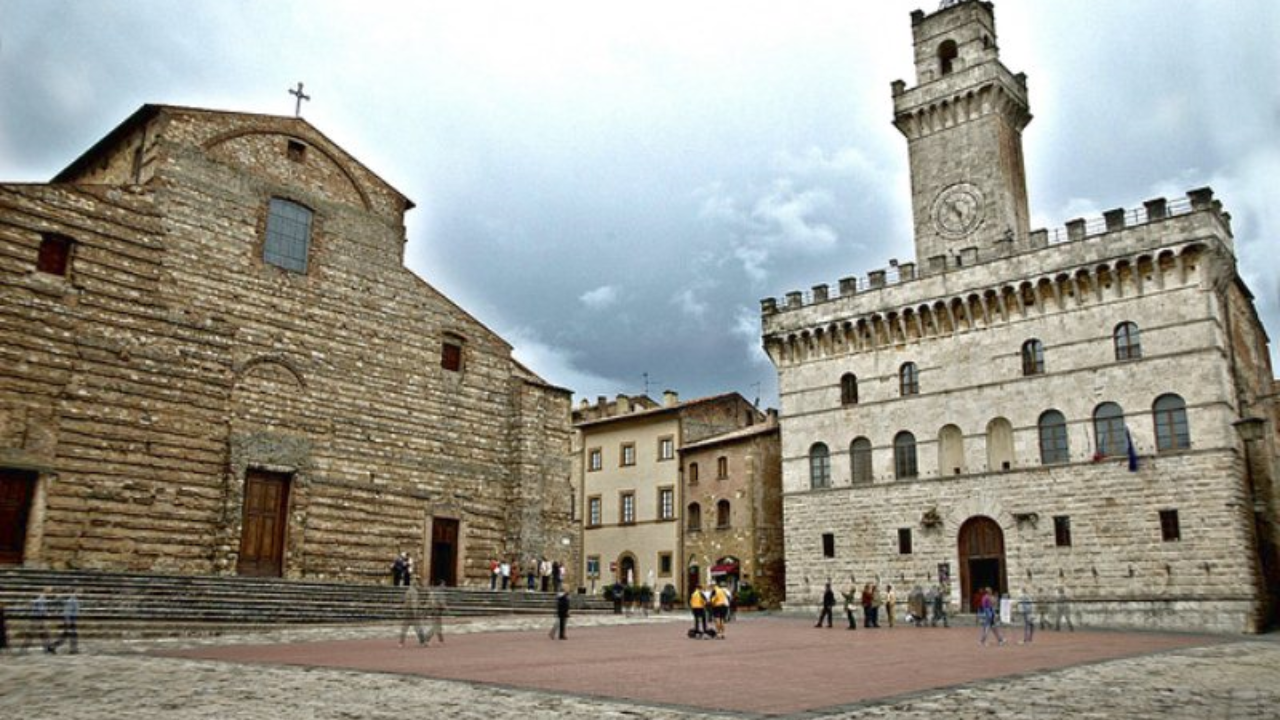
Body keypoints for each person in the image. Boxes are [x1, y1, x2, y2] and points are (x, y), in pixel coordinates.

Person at [48, 588, 79, 654]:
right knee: (70, 635)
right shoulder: (71, 601)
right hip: (70, 621)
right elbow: (67, 612)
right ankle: (73, 650)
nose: (78, 594)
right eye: (76, 592)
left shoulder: (74, 600)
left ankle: (53, 647)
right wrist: (67, 621)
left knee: (69, 635)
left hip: (71, 620)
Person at [22, 587, 52, 654]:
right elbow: (41, 608)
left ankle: (47, 647)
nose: (50, 593)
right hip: (37, 618)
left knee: (42, 633)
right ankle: (47, 648)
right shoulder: (42, 597)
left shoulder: (42, 597)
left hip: (37, 617)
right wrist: (47, 613)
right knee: (40, 633)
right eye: (49, 591)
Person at [399, 581, 425, 647]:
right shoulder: (414, 592)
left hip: (407, 612)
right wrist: (415, 612)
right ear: (416, 585)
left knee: (404, 628)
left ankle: (401, 642)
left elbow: (405, 601)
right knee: (418, 628)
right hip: (412, 613)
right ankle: (422, 642)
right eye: (418, 585)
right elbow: (414, 603)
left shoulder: (408, 591)